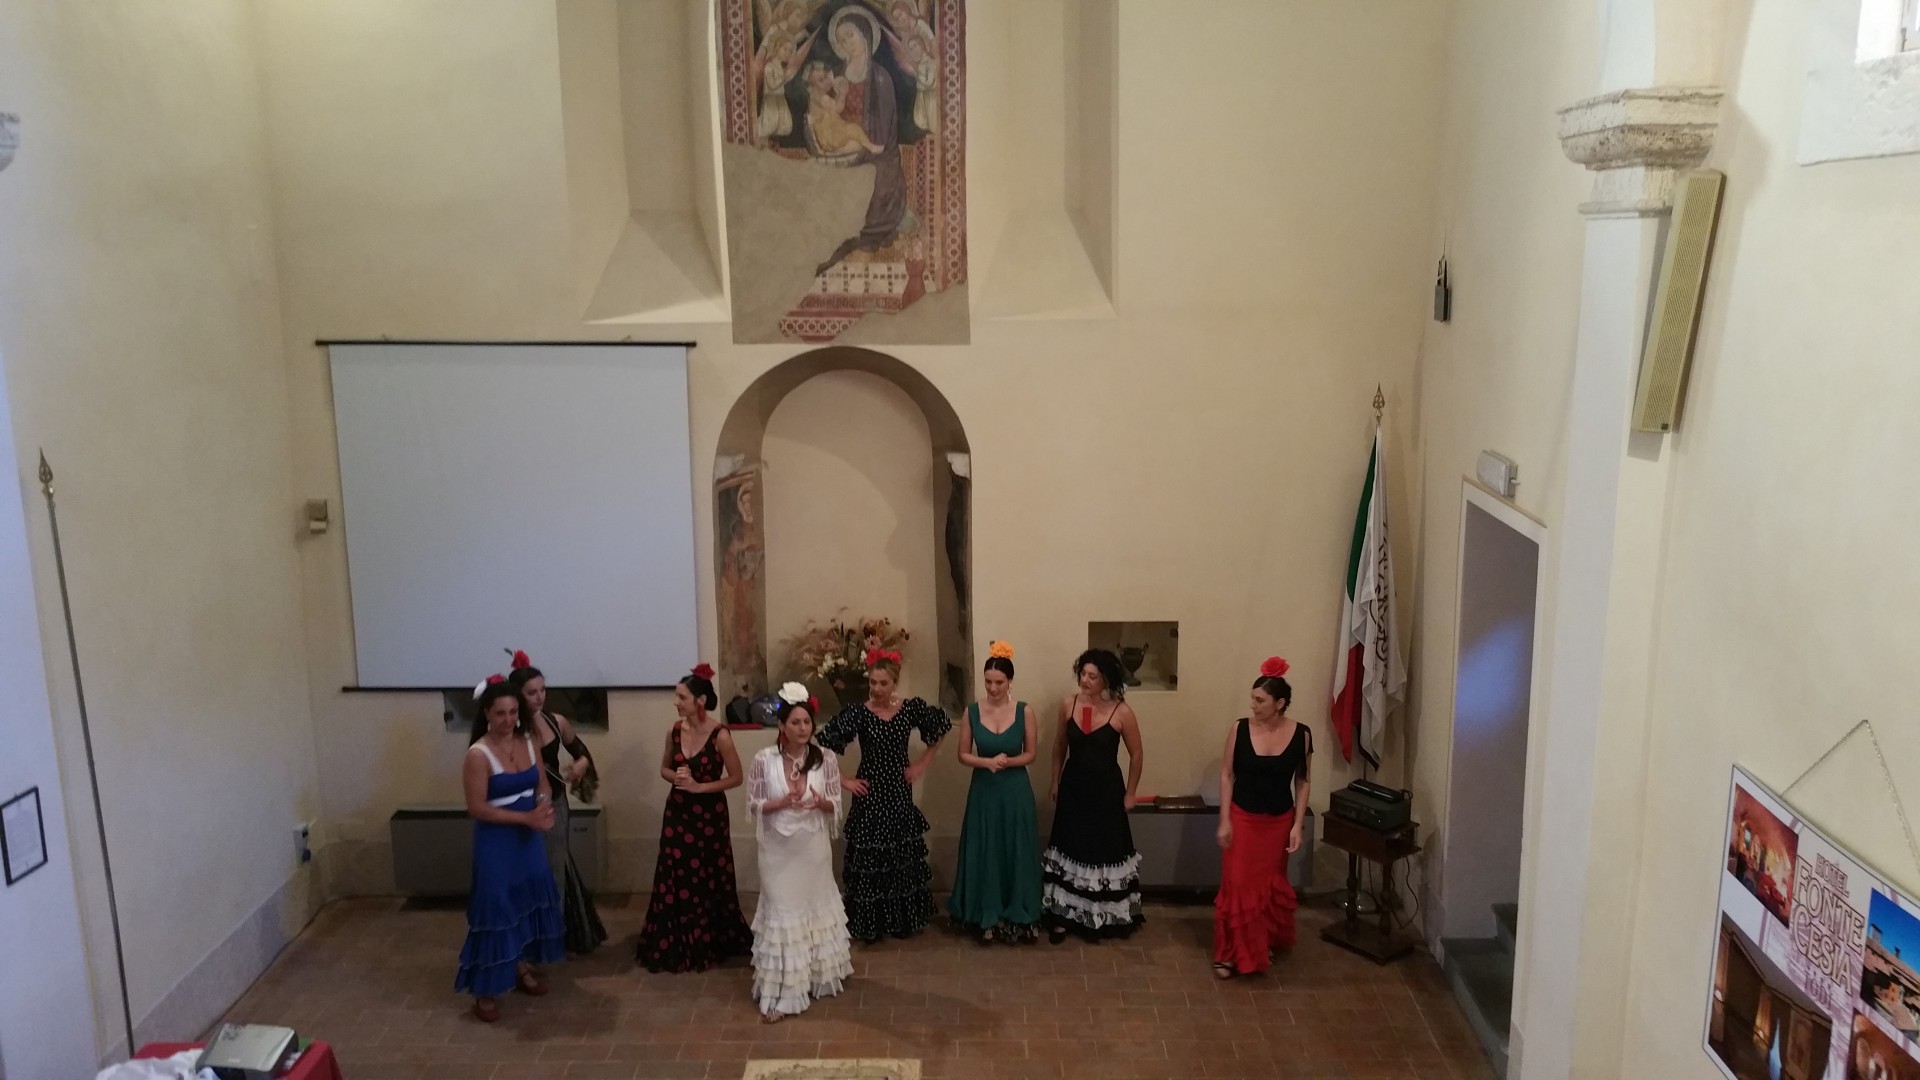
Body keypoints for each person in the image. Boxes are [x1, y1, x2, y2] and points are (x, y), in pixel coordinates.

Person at [817, 648, 951, 942]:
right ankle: (872, 921)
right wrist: (844, 780)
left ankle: (901, 919)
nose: (876, 689)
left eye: (883, 683)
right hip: (870, 791)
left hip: (899, 791)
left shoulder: (909, 709)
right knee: (871, 855)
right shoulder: (859, 712)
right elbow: (823, 745)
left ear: (895, 683)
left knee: (898, 854)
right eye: (873, 682)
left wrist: (922, 764)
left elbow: (941, 725)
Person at [454, 676, 563, 1023]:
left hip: (528, 838)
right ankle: (485, 989)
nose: (508, 719)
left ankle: (519, 965)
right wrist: (525, 818)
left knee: (527, 901)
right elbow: (477, 808)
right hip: (497, 843)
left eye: (513, 712)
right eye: (500, 713)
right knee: (496, 908)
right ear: (487, 713)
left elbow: (542, 784)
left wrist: (543, 807)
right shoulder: (478, 754)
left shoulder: (528, 741)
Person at [636, 663, 753, 972]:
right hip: (678, 812)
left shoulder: (720, 735)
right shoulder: (674, 731)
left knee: (707, 873)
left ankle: (708, 939)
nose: (676, 702)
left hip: (709, 815)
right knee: (675, 872)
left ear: (700, 701)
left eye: (682, 697)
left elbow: (737, 777)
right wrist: (675, 777)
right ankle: (676, 939)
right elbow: (664, 768)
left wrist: (700, 787)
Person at [746, 684, 853, 1023]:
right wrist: (780, 802)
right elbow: (754, 804)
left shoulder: (826, 759)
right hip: (777, 853)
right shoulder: (764, 760)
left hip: (812, 851)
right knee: (783, 913)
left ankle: (816, 975)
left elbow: (835, 805)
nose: (803, 728)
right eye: (795, 722)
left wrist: (819, 802)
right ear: (782, 725)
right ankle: (785, 993)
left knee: (813, 908)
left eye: (807, 722)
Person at [1212, 657, 1311, 979]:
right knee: (1238, 884)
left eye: (1260, 700)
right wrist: (1224, 820)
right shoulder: (1239, 729)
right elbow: (1226, 774)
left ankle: (1260, 943)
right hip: (1242, 817)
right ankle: (1231, 953)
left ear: (1279, 704)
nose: (1252, 705)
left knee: (1267, 886)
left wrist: (1298, 825)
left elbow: (1303, 780)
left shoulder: (1302, 734)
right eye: (1252, 699)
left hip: (1278, 821)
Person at [507, 651, 608, 956]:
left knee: (555, 867)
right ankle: (526, 938)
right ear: (517, 695)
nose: (539, 697)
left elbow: (582, 753)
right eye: (531, 693)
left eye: (542, 690)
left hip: (555, 804)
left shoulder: (555, 721)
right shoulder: (508, 728)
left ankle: (554, 936)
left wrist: (580, 764)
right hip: (519, 809)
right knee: (524, 871)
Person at [1042, 648, 1145, 943]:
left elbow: (1137, 754)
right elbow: (1059, 745)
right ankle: (1063, 916)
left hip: (1107, 791)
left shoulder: (1121, 711)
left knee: (1103, 849)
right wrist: (1054, 780)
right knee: (1071, 847)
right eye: (1083, 674)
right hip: (1074, 787)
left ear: (1106, 680)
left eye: (1093, 676)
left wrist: (1131, 792)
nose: (1085, 680)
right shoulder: (1068, 704)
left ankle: (1103, 915)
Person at [947, 641, 1042, 944]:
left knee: (1016, 847)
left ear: (1009, 681)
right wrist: (987, 762)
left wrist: (1007, 762)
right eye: (988, 682)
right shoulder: (972, 711)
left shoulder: (1025, 711)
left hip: (1015, 791)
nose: (992, 688)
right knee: (985, 848)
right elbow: (963, 754)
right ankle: (984, 910)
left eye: (999, 682)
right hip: (984, 791)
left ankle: (1019, 910)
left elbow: (1031, 754)